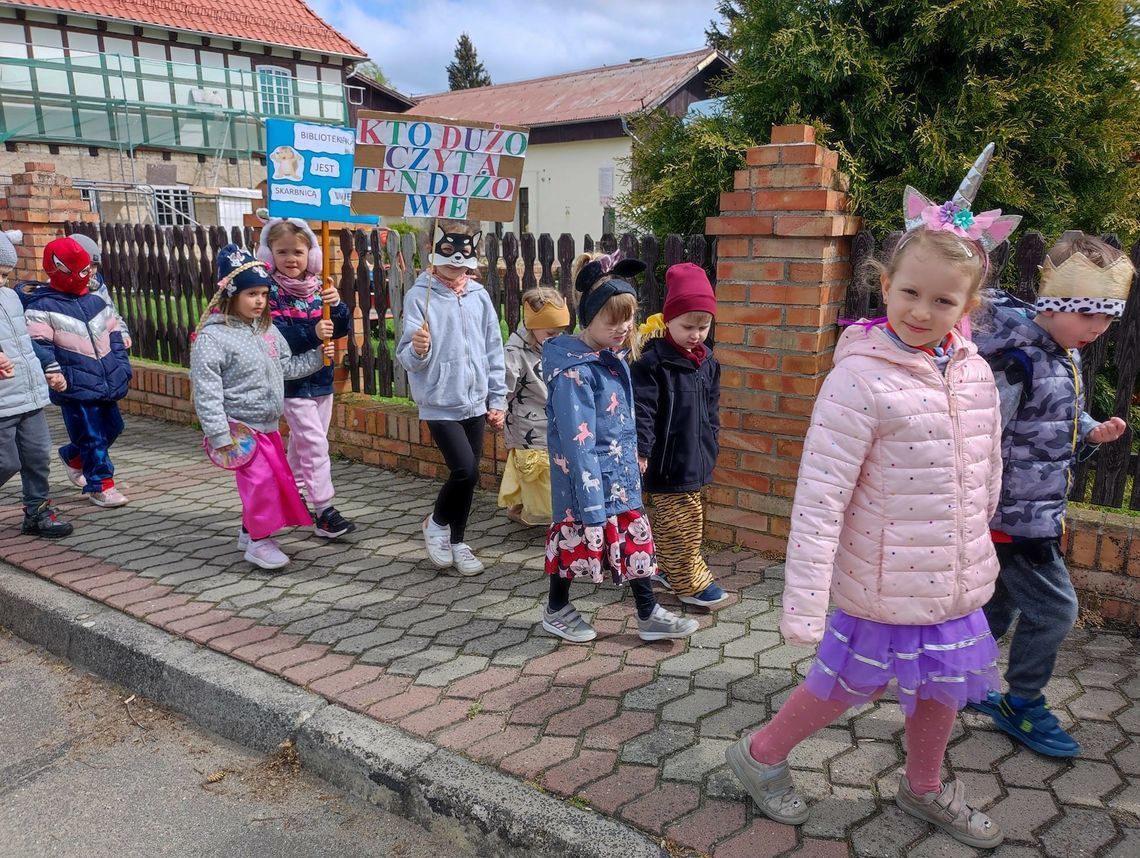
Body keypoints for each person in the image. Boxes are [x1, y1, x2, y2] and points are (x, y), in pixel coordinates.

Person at [727, 146, 1022, 849]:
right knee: (847, 685)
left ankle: (923, 788)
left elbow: (986, 470)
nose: (923, 310)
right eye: (910, 292)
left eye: (944, 299)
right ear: (884, 284)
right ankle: (760, 754)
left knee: (945, 684)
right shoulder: (859, 379)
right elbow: (821, 496)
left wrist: (978, 540)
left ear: (968, 305)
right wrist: (804, 600)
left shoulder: (973, 372)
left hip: (951, 578)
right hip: (884, 577)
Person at [969, 231, 1135, 756]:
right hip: (1015, 517)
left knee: (998, 607)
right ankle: (1022, 702)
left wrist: (1087, 429)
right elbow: (982, 436)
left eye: (1108, 318)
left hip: (1034, 509)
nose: (1099, 329)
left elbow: (1051, 417)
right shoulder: (1018, 360)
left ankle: (954, 679)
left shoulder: (1060, 352)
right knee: (1057, 611)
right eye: (1089, 315)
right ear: (1055, 305)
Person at [540, 250, 700, 645]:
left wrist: (633, 458)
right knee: (574, 544)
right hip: (586, 481)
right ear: (588, 318)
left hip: (620, 475)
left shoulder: (609, 358)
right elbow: (578, 444)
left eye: (627, 320)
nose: (622, 329)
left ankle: (648, 612)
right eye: (611, 322)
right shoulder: (575, 373)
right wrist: (591, 498)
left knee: (634, 540)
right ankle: (556, 608)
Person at [190, 245, 330, 571]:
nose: (260, 301)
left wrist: (321, 356)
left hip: (267, 425)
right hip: (239, 428)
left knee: (271, 480)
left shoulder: (267, 331)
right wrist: (218, 433)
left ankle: (247, 531)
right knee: (261, 483)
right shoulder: (213, 339)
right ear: (231, 293)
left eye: (264, 294)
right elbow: (206, 392)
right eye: (252, 293)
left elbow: (287, 367)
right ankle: (258, 542)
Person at [395, 221, 506, 576]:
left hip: (474, 401)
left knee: (470, 478)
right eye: (449, 254)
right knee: (465, 469)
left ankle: (458, 541)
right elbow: (406, 357)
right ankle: (437, 522)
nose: (457, 263)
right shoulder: (419, 295)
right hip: (439, 400)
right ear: (433, 251)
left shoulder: (479, 295)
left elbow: (494, 348)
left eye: (464, 256)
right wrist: (418, 349)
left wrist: (497, 398)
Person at [631, 262, 727, 607]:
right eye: (688, 326)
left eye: (704, 326)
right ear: (668, 319)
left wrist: (712, 439)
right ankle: (690, 581)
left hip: (696, 455)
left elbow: (712, 408)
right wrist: (642, 450)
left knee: (680, 518)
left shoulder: (707, 361)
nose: (696, 334)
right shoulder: (652, 363)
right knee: (684, 521)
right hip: (667, 460)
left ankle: (668, 567)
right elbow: (643, 411)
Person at [258, 218, 354, 539]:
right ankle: (324, 510)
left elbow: (340, 328)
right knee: (315, 444)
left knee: (303, 442)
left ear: (311, 254)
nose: (291, 259)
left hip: (322, 378)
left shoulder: (319, 286)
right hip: (292, 383)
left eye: (298, 251)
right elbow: (275, 338)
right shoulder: (268, 292)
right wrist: (312, 332)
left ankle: (295, 493)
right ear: (268, 254)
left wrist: (337, 306)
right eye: (281, 251)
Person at [23, 236, 132, 507]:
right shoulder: (42, 306)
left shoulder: (96, 301)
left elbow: (114, 332)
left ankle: (73, 456)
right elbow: (39, 344)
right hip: (74, 385)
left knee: (113, 427)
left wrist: (122, 365)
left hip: (105, 379)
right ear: (59, 270)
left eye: (89, 270)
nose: (88, 275)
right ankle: (101, 484)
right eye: (81, 271)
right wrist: (54, 371)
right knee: (93, 436)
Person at [0, 227, 71, 536]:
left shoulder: (11, 298)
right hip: (2, 403)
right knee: (6, 463)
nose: (1, 282)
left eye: (4, 275)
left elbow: (26, 342)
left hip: (29, 396)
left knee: (38, 455)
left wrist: (49, 366)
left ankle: (37, 512)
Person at [497, 286, 569, 526]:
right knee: (535, 470)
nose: (556, 337)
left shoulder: (552, 345)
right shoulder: (514, 352)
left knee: (534, 470)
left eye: (561, 332)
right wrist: (497, 407)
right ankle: (549, 515)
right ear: (531, 325)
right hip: (525, 422)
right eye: (550, 332)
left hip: (550, 419)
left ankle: (519, 508)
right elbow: (503, 384)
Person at [69, 233, 132, 351]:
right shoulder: (61, 291)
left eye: (94, 265)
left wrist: (122, 333)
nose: (91, 271)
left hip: (103, 347)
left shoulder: (98, 286)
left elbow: (112, 312)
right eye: (87, 265)